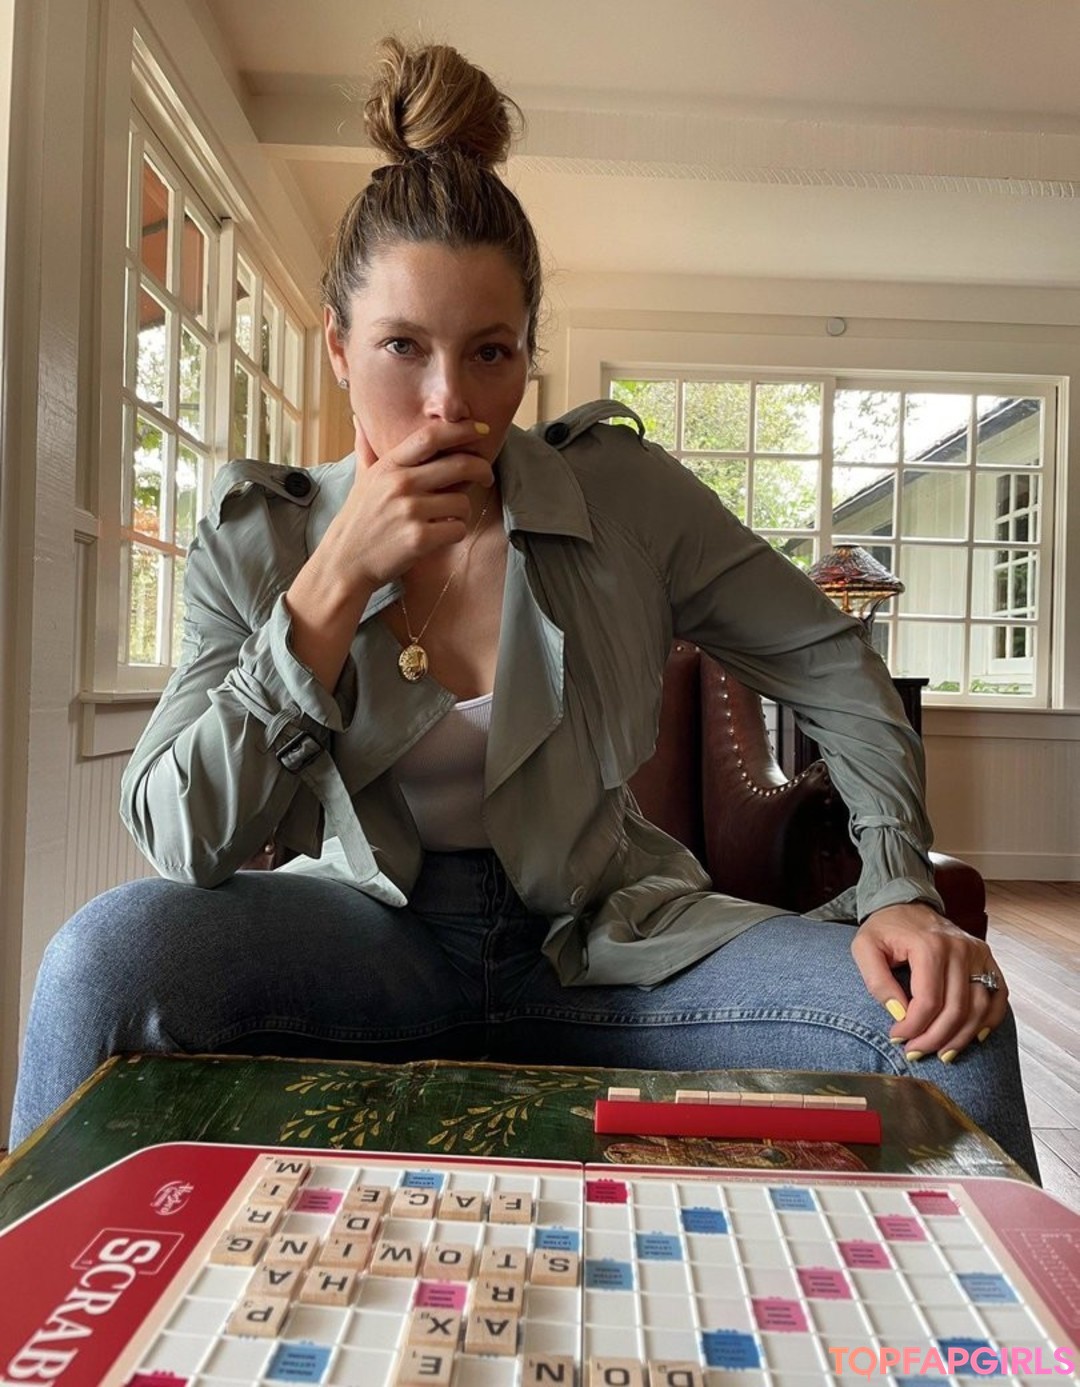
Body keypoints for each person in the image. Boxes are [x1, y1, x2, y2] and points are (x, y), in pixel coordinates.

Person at [10, 38, 1037, 1178]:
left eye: (488, 352)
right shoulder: (262, 534)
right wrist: (332, 582)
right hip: (368, 935)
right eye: (402, 347)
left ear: (527, 358)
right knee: (100, 963)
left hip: (614, 937)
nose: (447, 400)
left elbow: (832, 660)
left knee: (952, 1022)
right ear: (338, 346)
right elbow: (180, 834)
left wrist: (897, 883)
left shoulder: (624, 497)